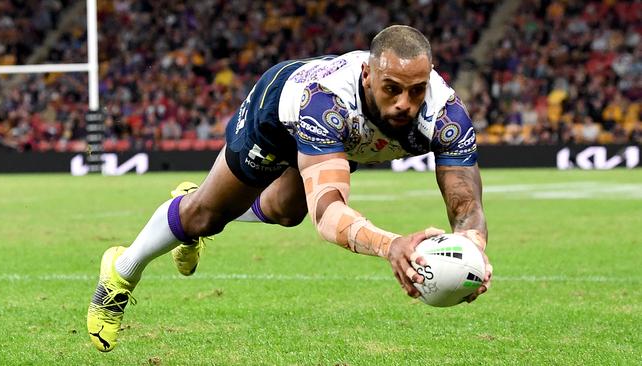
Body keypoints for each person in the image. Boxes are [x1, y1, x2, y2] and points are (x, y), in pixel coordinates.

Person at [87, 25, 493, 352]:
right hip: (281, 108)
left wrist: (473, 254)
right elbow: (329, 214)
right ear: (368, 76)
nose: (406, 102)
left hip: (347, 137)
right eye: (392, 88)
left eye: (416, 89)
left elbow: (467, 208)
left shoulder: (446, 116)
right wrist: (392, 246)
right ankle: (121, 272)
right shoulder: (325, 103)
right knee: (204, 214)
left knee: (286, 211)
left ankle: (193, 219)